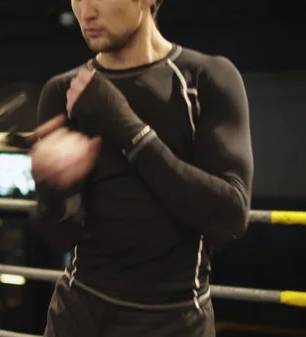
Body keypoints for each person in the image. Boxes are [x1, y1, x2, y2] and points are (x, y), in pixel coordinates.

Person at [29, 0, 254, 336]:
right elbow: (61, 235)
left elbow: (230, 216)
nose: (85, 12)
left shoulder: (204, 79)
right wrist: (52, 187)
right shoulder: (65, 90)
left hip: (173, 320)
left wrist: (126, 127)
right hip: (78, 315)